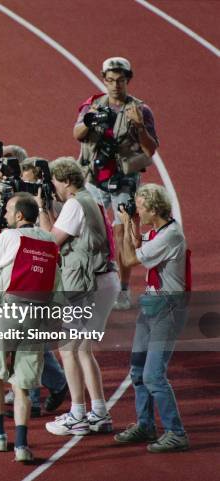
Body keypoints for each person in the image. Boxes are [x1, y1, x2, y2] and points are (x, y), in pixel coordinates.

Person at [0, 193, 61, 462]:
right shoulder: (51, 241)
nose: (5, 216)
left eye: (8, 211)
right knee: (21, 384)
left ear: (19, 216)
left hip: (7, 310)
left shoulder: (9, 237)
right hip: (37, 314)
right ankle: (21, 445)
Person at [39, 157, 120, 436]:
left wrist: (40, 207)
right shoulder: (90, 199)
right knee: (83, 349)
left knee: (68, 348)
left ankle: (77, 414)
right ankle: (98, 411)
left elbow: (50, 242)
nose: (53, 187)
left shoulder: (74, 204)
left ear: (64, 180)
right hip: (105, 280)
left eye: (54, 181)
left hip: (85, 284)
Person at [74, 57, 159, 310]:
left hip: (124, 181)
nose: (115, 85)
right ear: (103, 80)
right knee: (89, 233)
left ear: (128, 80)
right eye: (110, 80)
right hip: (93, 179)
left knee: (121, 233)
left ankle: (123, 289)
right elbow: (77, 133)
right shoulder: (91, 105)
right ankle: (91, 286)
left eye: (120, 80)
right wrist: (88, 121)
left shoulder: (141, 110)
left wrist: (140, 127)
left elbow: (150, 149)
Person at [114, 183, 190, 452]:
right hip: (152, 305)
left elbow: (129, 258)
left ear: (155, 208)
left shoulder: (170, 236)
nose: (138, 209)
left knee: (153, 375)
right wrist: (133, 225)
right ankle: (145, 424)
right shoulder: (160, 231)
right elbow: (139, 245)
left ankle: (176, 432)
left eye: (141, 206)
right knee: (137, 370)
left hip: (167, 308)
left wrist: (123, 227)